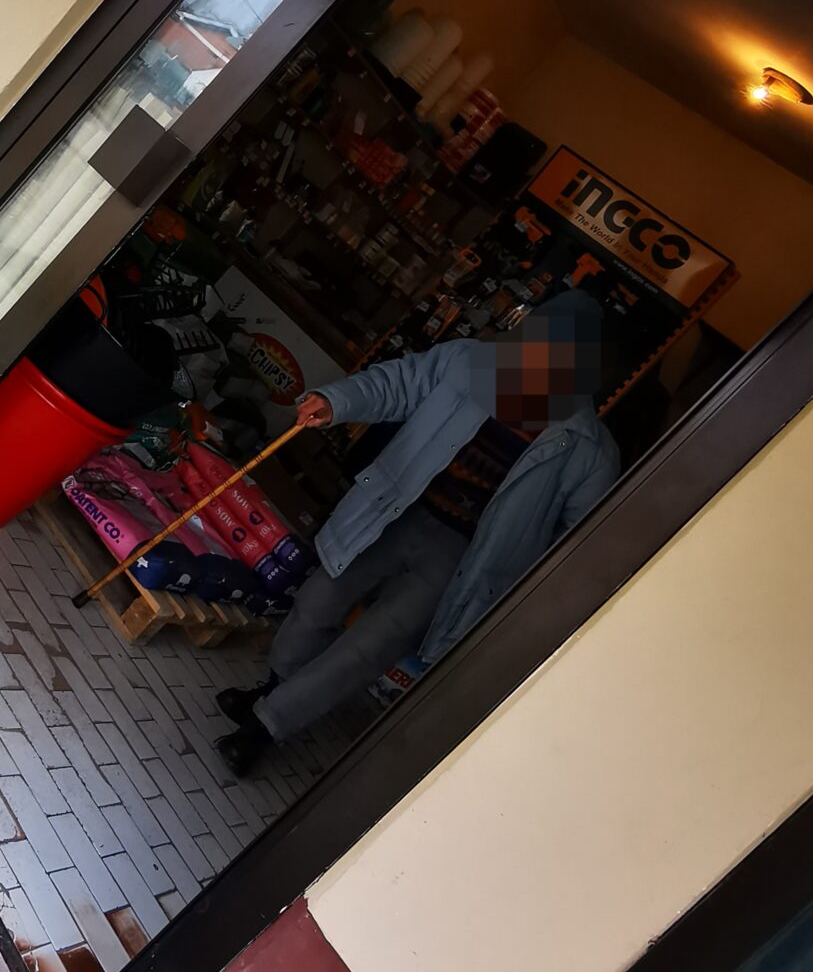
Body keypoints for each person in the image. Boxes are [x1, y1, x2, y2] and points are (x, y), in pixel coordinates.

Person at [215, 290, 619, 774]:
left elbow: (580, 542)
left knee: (370, 645)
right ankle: (275, 685)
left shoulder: (587, 448)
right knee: (318, 598)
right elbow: (399, 383)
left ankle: (266, 727)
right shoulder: (470, 362)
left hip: (461, 556)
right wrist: (337, 400)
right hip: (397, 507)